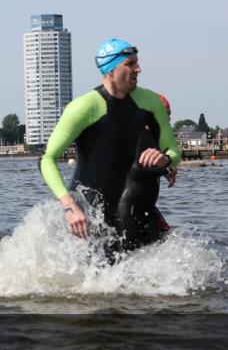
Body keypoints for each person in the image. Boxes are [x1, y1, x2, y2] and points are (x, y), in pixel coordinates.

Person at [38, 39, 180, 260]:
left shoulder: (151, 102)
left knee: (173, 261)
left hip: (134, 205)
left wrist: (165, 160)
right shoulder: (83, 107)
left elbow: (173, 151)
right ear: (111, 70)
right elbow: (47, 159)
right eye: (130, 64)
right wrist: (69, 206)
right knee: (102, 272)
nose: (138, 69)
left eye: (137, 63)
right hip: (91, 211)